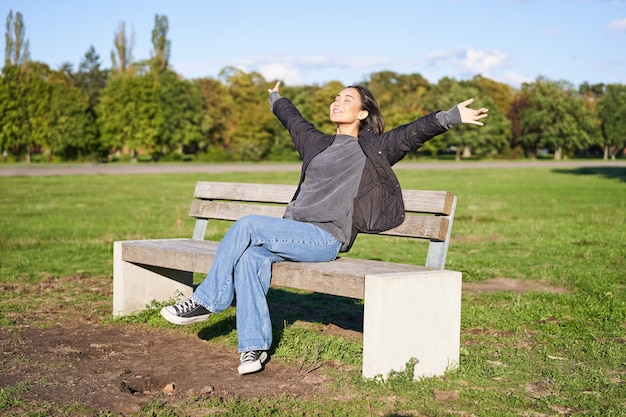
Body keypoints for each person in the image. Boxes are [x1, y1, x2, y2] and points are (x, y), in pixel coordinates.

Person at [161, 81, 488, 375]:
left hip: (325, 238)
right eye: (336, 97)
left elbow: (412, 133)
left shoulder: (374, 149)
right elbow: (292, 119)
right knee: (249, 260)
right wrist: (276, 97)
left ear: (362, 113)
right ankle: (253, 348)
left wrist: (450, 117)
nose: (337, 102)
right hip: (294, 233)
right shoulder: (316, 143)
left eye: (347, 99)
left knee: (247, 225)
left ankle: (208, 299)